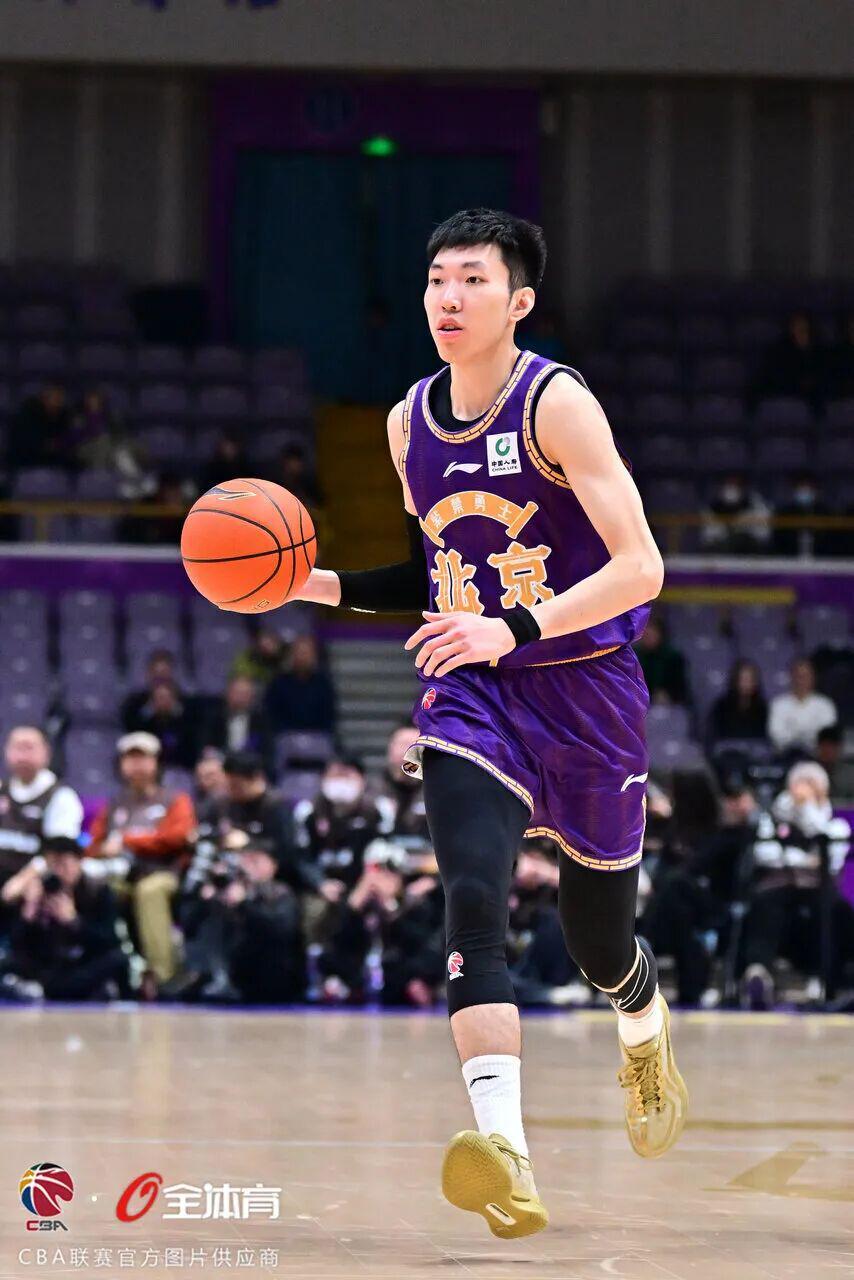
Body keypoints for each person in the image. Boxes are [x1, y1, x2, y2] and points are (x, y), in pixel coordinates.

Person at [292, 208, 686, 1237]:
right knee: (472, 899)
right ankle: (504, 1153)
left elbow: (642, 566)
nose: (449, 297)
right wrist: (316, 582)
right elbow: (432, 577)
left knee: (597, 944)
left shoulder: (558, 405)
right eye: (436, 279)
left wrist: (509, 628)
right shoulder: (405, 423)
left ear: (519, 302)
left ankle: (641, 1019)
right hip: (474, 692)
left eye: (472, 279)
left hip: (586, 690)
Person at [740, 761, 853, 1008]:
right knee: (764, 902)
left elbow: (830, 858)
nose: (802, 790)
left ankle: (825, 978)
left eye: (811, 785)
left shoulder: (835, 824)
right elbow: (765, 854)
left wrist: (807, 808)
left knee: (835, 910)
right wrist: (804, 859)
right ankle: (759, 973)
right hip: (779, 885)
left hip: (817, 889)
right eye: (799, 784)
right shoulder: (774, 818)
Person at [87, 732, 195, 990]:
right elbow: (93, 846)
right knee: (98, 889)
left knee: (150, 891)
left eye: (143, 758)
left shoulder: (174, 800)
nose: (137, 765)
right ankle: (108, 970)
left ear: (156, 763)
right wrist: (105, 850)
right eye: (130, 758)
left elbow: (178, 837)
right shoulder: (114, 804)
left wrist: (129, 841)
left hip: (164, 873)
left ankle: (163, 977)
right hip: (122, 875)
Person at [0, 835, 128, 1002]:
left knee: (118, 959)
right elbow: (17, 944)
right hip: (47, 968)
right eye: (52, 865)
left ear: (79, 862)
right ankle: (35, 991)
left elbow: (109, 940)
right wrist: (29, 910)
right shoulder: (39, 890)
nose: (58, 872)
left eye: (64, 865)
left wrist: (74, 921)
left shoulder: (98, 891)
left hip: (82, 966)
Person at [0, 726, 83, 889]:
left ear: (46, 753)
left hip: (35, 882)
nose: (22, 756)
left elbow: (58, 852)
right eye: (17, 747)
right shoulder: (2, 789)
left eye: (29, 748)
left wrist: (22, 880)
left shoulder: (61, 796)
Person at [199, 675, 274, 776]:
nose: (240, 698)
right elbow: (206, 747)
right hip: (220, 768)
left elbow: (265, 751)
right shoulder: (214, 718)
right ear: (227, 694)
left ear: (252, 697)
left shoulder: (260, 721)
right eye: (237, 693)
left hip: (249, 770)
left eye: (245, 694)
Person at [264, 634, 337, 735]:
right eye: (300, 653)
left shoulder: (323, 684)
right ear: (292, 655)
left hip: (317, 736)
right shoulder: (278, 682)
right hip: (285, 736)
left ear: (314, 656)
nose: (303, 657)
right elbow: (272, 714)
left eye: (307, 653)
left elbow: (329, 716)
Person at [768, 657, 837, 756]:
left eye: (806, 676)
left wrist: (794, 734)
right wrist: (806, 736)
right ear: (791, 677)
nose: (802, 680)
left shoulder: (825, 704)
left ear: (813, 677)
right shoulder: (778, 704)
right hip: (786, 757)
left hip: (817, 757)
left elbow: (826, 736)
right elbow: (776, 735)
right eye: (799, 676)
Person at [708, 660, 769, 744]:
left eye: (751, 679)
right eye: (744, 679)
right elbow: (715, 737)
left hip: (755, 750)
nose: (747, 684)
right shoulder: (721, 706)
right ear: (735, 680)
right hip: (727, 749)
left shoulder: (762, 707)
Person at [634, 615, 688, 705]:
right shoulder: (634, 657)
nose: (648, 636)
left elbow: (680, 687)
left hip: (670, 703)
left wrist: (668, 695)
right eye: (645, 634)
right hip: (640, 703)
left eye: (652, 633)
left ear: (660, 634)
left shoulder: (673, 657)